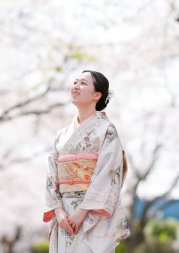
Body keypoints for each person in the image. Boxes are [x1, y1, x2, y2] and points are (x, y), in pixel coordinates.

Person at [43, 70, 130, 253]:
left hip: (92, 213)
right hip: (64, 214)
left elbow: (109, 173)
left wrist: (82, 212)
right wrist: (58, 212)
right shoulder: (61, 135)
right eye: (75, 82)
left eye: (82, 83)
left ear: (97, 95)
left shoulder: (106, 130)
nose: (75, 86)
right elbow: (52, 175)